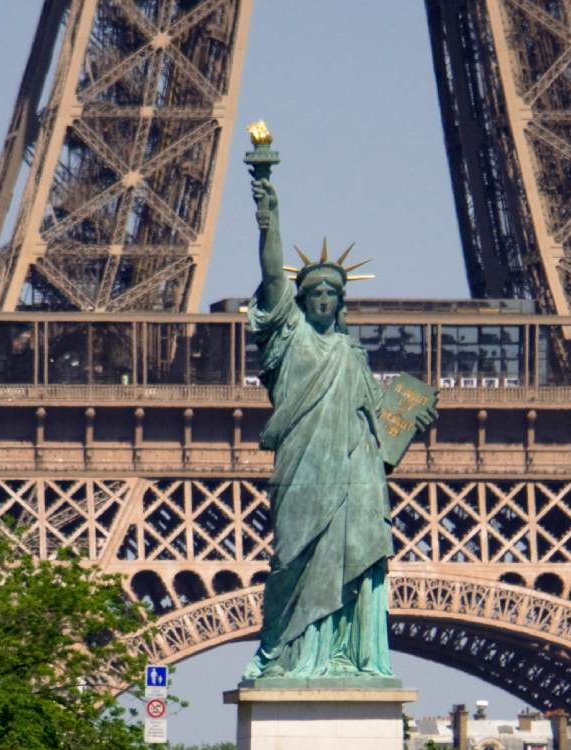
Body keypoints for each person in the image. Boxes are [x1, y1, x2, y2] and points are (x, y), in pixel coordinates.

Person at [241, 175, 435, 680]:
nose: (324, 298)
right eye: (315, 291)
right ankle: (291, 653)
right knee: (293, 562)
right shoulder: (289, 336)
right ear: (301, 300)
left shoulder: (352, 354)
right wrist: (270, 221)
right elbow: (271, 279)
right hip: (302, 472)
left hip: (353, 479)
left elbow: (379, 425)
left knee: (355, 560)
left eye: (333, 291)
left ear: (342, 301)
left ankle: (344, 655)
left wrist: (414, 420)